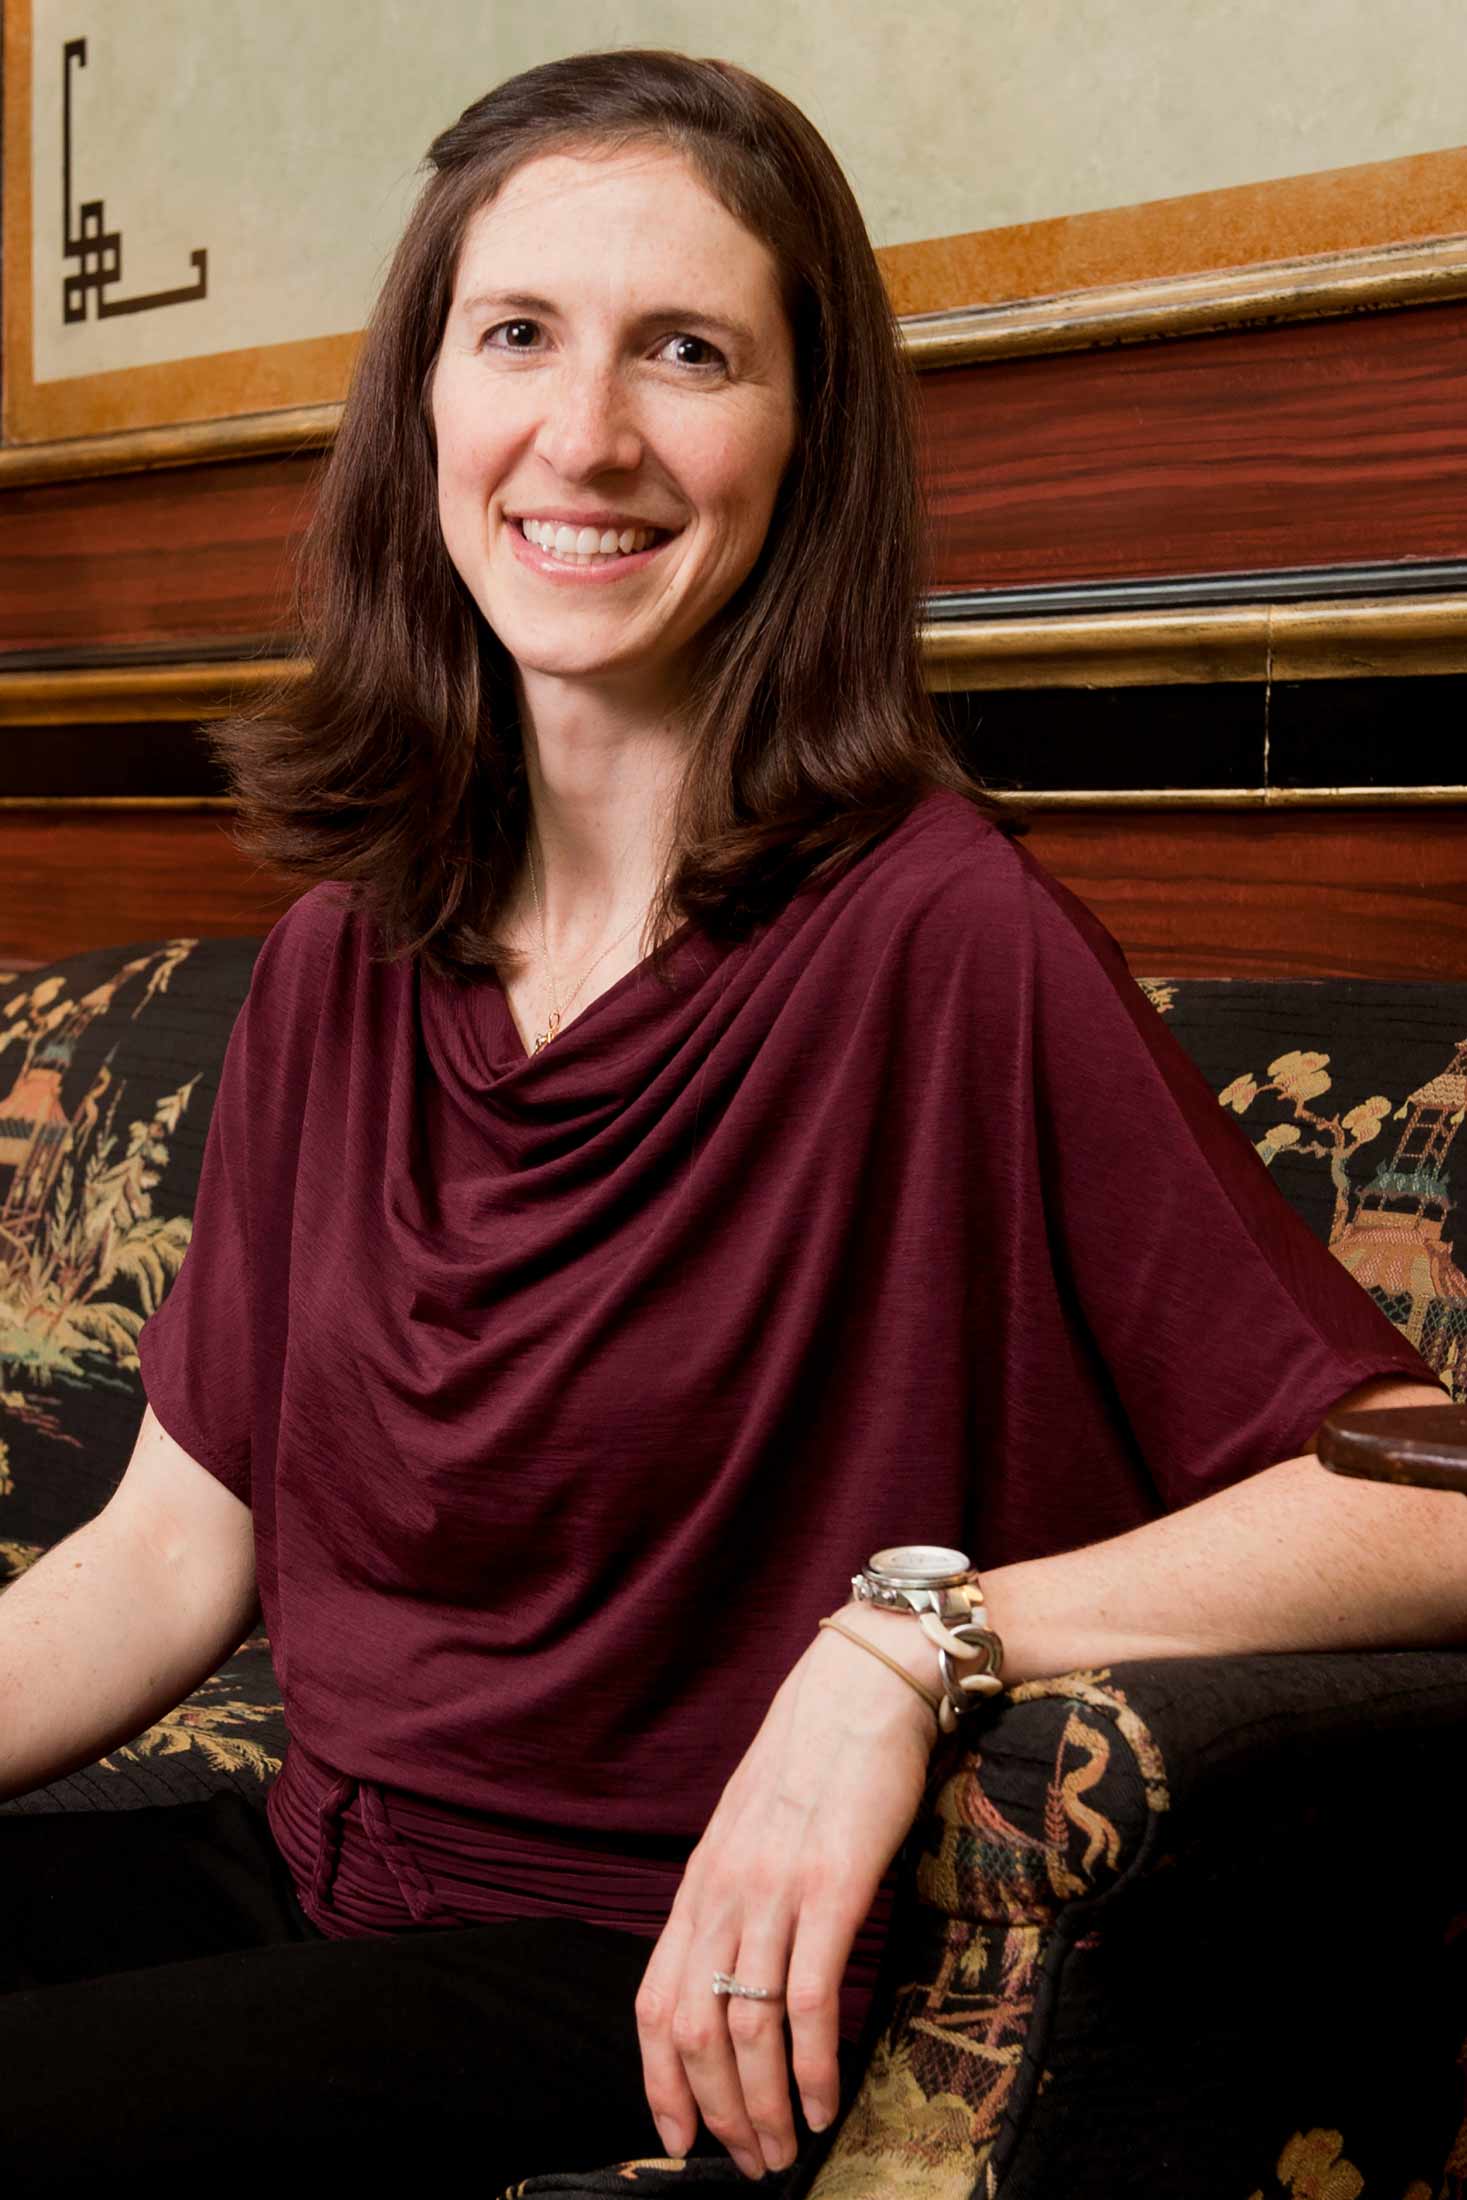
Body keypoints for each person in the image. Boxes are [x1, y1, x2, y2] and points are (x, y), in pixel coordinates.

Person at [2, 46, 1462, 2197]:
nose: (582, 435)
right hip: (314, 1875)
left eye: (684, 351)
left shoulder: (938, 941)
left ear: (802, 443)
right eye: (517, 335)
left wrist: (903, 1638)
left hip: (638, 1969)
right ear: (424, 405)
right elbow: (166, 1541)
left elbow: (1424, 1511)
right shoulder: (345, 949)